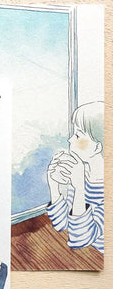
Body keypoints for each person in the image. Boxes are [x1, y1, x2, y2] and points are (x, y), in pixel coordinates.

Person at [47, 101, 104, 253]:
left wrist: (79, 188)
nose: (70, 139)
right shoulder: (84, 174)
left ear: (97, 147)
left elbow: (80, 239)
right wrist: (53, 185)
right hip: (86, 253)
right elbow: (62, 224)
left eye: (78, 135)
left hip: (99, 257)